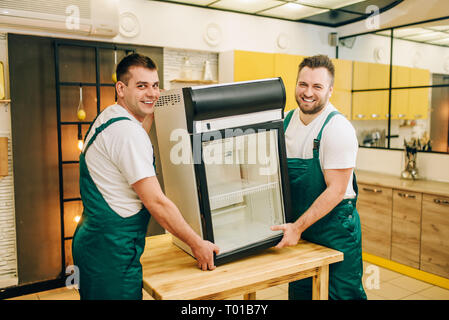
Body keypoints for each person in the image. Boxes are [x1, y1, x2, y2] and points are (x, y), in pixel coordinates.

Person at [72, 53, 219, 300]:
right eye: (141, 86)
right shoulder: (128, 134)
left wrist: (149, 111)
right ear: (121, 88)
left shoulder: (110, 116)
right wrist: (197, 244)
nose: (151, 93)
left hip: (93, 243)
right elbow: (156, 202)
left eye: (154, 86)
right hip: (111, 252)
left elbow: (133, 138)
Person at [271, 54, 367, 300]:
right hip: (301, 233)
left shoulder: (337, 128)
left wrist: (297, 227)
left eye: (317, 86)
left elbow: (336, 190)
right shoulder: (285, 122)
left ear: (330, 90)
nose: (308, 92)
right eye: (303, 84)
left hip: (334, 231)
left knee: (340, 296)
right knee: (301, 295)